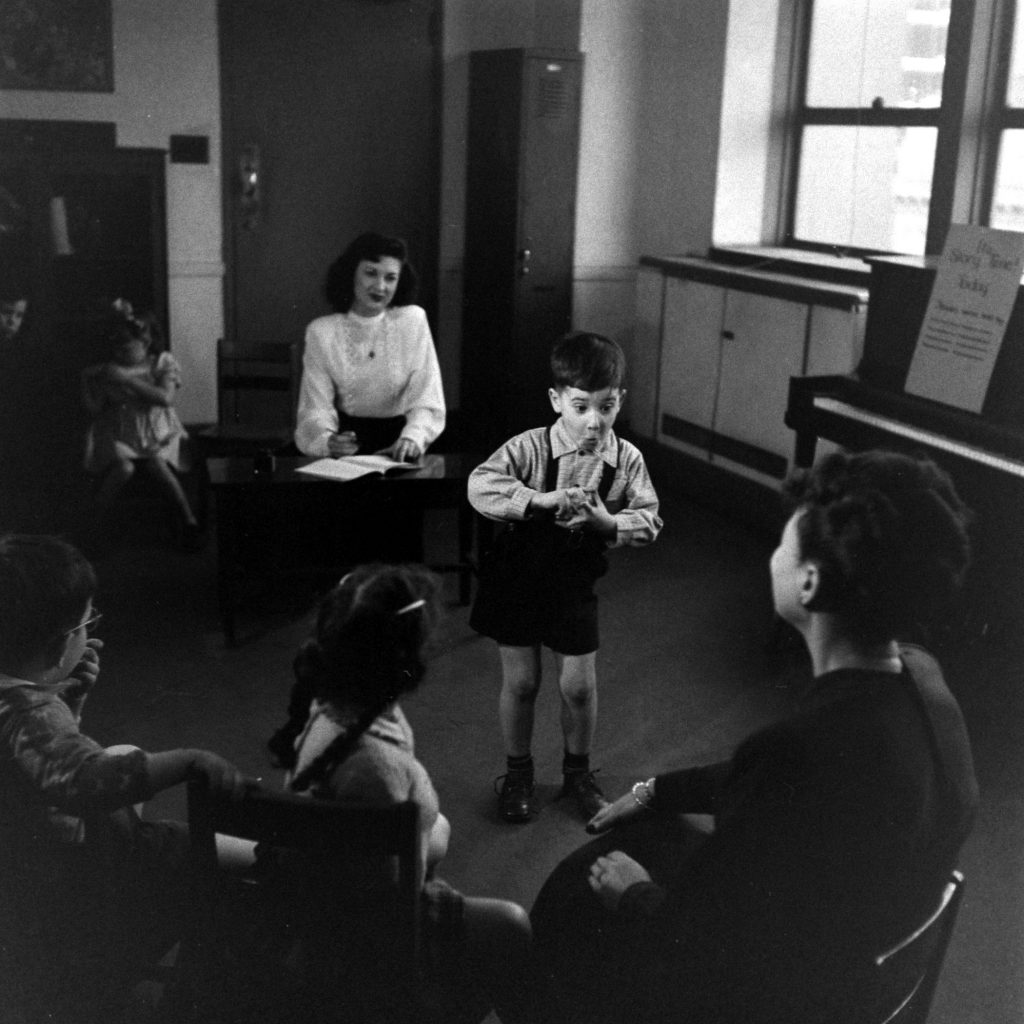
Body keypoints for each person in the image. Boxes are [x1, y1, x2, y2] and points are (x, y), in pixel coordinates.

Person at [528, 449, 979, 1024]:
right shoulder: (923, 680)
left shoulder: (802, 748)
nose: (775, 558)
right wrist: (654, 792)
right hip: (855, 951)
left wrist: (634, 893)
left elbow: (700, 951)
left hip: (770, 999)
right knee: (661, 833)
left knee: (565, 907)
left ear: (809, 582)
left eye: (783, 547)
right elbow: (779, 785)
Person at [0, 533, 250, 1022]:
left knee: (127, 751)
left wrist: (67, 703)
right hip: (71, 869)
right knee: (178, 841)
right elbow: (90, 781)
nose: (90, 632)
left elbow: (40, 764)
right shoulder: (29, 712)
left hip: (17, 849)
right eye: (86, 624)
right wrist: (188, 759)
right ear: (57, 646)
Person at [266, 563, 532, 1023]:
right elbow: (393, 900)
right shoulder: (376, 769)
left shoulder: (334, 704)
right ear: (408, 664)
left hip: (335, 887)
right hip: (364, 929)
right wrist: (434, 833)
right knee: (510, 925)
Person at [468, 332, 662, 823]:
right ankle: (518, 773)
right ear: (556, 401)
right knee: (524, 682)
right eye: (580, 406)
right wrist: (537, 501)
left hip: (573, 583)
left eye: (607, 405)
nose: (594, 421)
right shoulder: (529, 447)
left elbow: (650, 519)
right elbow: (480, 485)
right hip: (515, 579)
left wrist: (608, 524)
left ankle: (578, 774)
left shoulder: (626, 460)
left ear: (621, 400)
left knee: (578, 686)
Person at [294, 231, 445, 462]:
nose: (380, 286)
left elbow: (427, 396)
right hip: (347, 444)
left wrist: (413, 437)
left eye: (390, 277)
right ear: (350, 272)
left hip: (401, 445)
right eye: (371, 273)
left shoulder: (412, 321)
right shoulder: (322, 331)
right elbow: (315, 406)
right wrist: (329, 441)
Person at [80, 299, 201, 550]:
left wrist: (127, 380)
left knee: (158, 464)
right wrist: (87, 381)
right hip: (122, 436)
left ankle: (188, 519)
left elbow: (165, 398)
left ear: (145, 343)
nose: (119, 354)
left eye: (126, 348)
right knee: (122, 469)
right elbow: (94, 408)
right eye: (115, 349)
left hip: (159, 434)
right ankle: (92, 524)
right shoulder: (110, 370)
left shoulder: (161, 363)